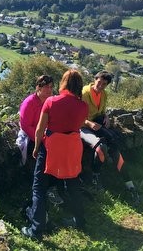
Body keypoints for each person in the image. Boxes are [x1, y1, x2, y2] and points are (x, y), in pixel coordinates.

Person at [22, 69, 89, 239]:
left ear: (64, 83)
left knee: (39, 188)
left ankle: (36, 229)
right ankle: (80, 221)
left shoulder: (51, 101)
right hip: (73, 149)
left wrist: (36, 148)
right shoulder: (83, 106)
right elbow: (77, 125)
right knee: (73, 185)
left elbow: (39, 129)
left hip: (51, 149)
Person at [80, 70, 139, 201]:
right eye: (99, 82)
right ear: (95, 79)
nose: (100, 86)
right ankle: (95, 177)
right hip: (83, 127)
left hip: (98, 125)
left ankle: (128, 183)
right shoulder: (83, 93)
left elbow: (102, 110)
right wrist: (88, 123)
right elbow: (76, 116)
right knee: (102, 147)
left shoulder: (104, 94)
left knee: (114, 143)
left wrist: (106, 116)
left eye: (104, 84)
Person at [17, 75, 54, 166]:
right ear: (38, 88)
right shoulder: (29, 102)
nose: (49, 90)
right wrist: (40, 138)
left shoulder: (49, 102)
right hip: (31, 137)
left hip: (43, 134)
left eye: (51, 87)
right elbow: (26, 126)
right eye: (46, 87)